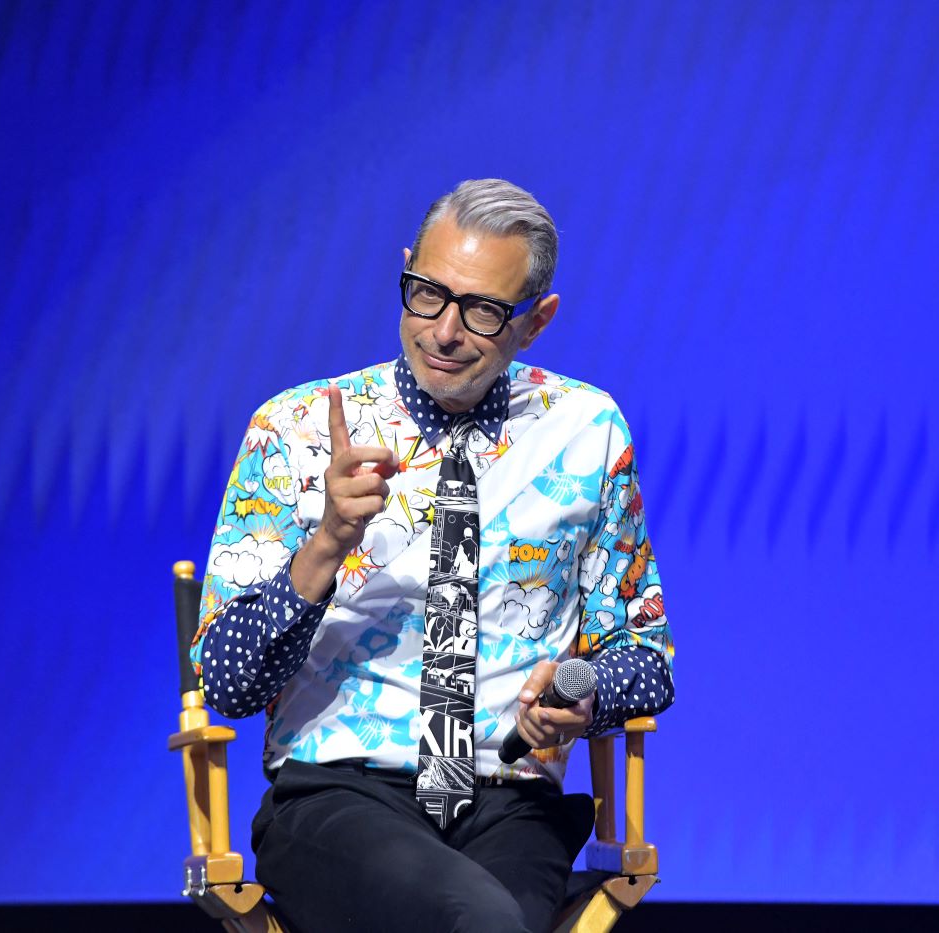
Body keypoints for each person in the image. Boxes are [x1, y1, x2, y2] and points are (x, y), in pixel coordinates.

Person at [191, 179, 674, 932]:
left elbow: (646, 657)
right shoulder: (293, 430)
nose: (444, 331)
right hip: (338, 797)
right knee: (477, 920)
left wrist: (582, 700)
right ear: (407, 269)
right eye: (427, 294)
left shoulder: (586, 431)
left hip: (511, 802)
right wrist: (325, 546)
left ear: (535, 321)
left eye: (481, 310)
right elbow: (225, 682)